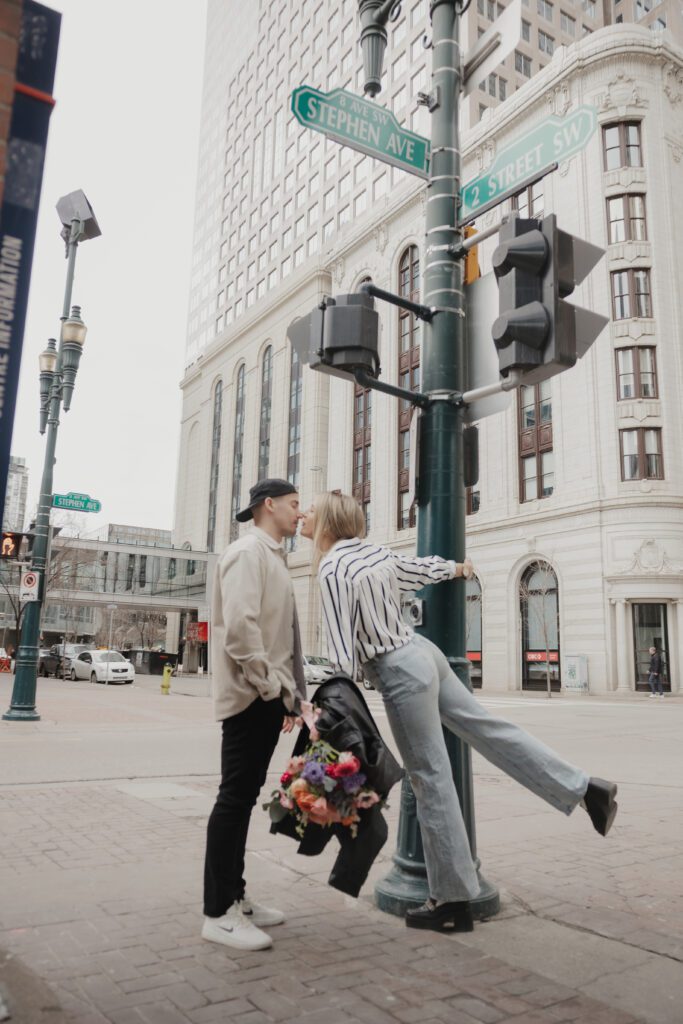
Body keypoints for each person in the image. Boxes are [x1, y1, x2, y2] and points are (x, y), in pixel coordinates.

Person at [300, 491, 619, 934]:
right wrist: (457, 568)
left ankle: (451, 900)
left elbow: (339, 654)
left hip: (398, 671)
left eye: (310, 511)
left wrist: (325, 706)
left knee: (431, 779)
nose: (303, 515)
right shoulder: (376, 552)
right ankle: (586, 788)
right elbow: (422, 569)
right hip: (423, 653)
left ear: (328, 522)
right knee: (492, 729)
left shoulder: (333, 568)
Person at [202, 478, 306, 952]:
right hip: (250, 697)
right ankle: (218, 912)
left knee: (242, 799)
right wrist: (269, 689)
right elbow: (240, 630)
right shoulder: (249, 553)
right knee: (234, 799)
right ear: (270, 506)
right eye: (294, 504)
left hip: (265, 697)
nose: (300, 513)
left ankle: (236, 898)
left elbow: (278, 635)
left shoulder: (271, 557)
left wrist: (287, 696)